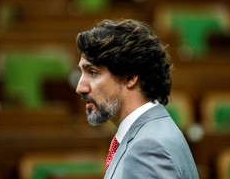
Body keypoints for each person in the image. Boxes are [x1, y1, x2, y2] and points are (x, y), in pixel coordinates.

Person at [75, 19, 199, 179]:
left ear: (130, 77)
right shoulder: (154, 132)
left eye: (93, 72)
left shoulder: (147, 148)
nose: (80, 88)